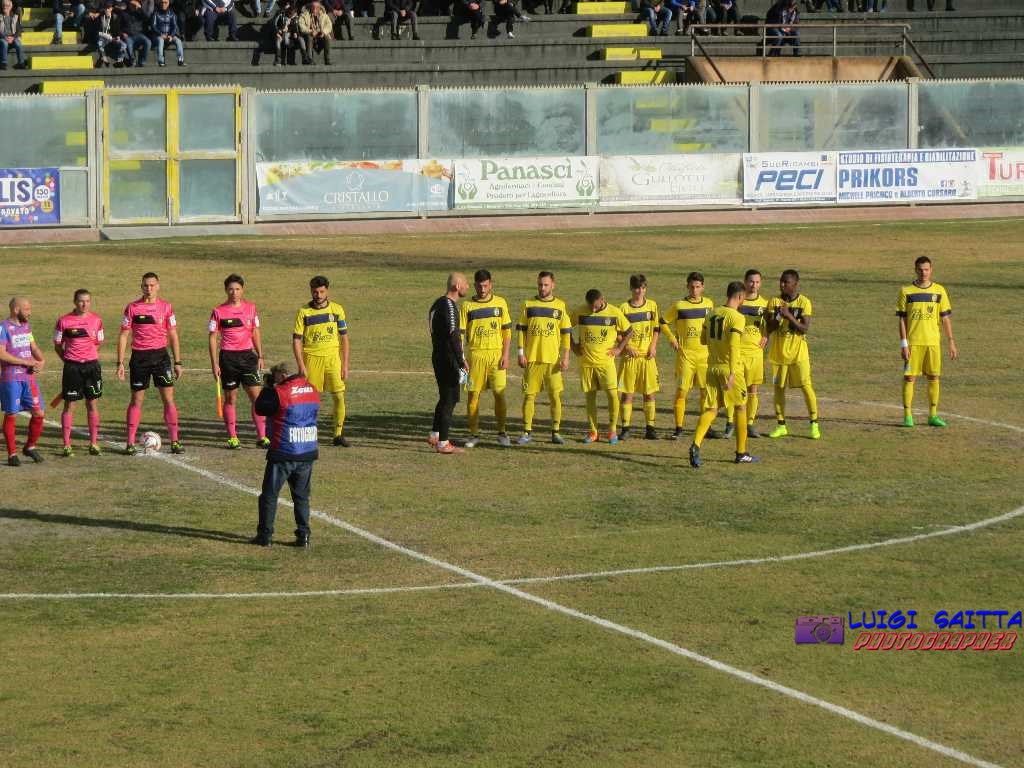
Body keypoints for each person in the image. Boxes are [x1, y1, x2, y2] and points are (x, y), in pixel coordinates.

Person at [688, 281, 759, 468]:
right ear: (740, 296)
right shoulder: (737, 317)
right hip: (729, 369)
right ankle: (741, 453)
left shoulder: (711, 313)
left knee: (711, 409)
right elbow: (734, 346)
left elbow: (703, 340)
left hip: (711, 368)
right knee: (741, 407)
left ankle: (696, 444)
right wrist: (733, 372)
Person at [253, 361, 320, 548]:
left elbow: (260, 408)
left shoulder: (280, 392)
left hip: (284, 451)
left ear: (283, 375)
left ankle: (265, 535)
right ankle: (304, 535)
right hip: (307, 451)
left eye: (276, 377)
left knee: (269, 495)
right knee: (301, 497)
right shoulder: (312, 389)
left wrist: (268, 388)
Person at [117, 272, 184, 455]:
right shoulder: (132, 308)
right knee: (136, 400)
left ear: (158, 286)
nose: (149, 289)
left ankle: (175, 441)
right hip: (139, 358)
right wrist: (120, 362)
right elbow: (124, 335)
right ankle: (130, 443)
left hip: (161, 357)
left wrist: (177, 362)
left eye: (152, 285)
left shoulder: (166, 307)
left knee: (168, 399)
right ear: (141, 287)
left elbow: (173, 334)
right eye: (145, 285)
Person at [209, 274, 268, 449]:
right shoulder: (218, 311)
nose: (234, 292)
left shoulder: (251, 308)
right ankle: (233, 437)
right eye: (230, 289)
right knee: (230, 398)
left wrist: (260, 355)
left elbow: (255, 332)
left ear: (242, 290)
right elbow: (212, 338)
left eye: (237, 289)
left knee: (257, 398)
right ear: (226, 290)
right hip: (228, 359)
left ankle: (262, 436)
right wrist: (214, 363)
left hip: (248, 358)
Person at [897, 256, 957, 428]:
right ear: (915, 270)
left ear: (931, 270)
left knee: (934, 377)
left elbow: (945, 319)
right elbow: (902, 320)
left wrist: (951, 341)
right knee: (909, 378)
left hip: (933, 343)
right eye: (920, 269)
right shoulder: (906, 291)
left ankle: (933, 415)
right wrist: (904, 344)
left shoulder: (939, 291)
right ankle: (908, 416)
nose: (924, 273)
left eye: (926, 269)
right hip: (913, 344)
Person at [516, 271, 572, 445]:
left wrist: (566, 357)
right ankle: (527, 432)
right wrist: (520, 353)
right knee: (529, 396)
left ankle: (555, 432)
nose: (542, 288)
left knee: (555, 396)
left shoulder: (560, 306)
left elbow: (566, 334)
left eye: (546, 285)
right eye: (540, 284)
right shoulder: (528, 304)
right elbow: (521, 330)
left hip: (553, 361)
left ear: (553, 285)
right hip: (532, 359)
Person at [292, 275, 349, 446]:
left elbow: (344, 338)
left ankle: (338, 434)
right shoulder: (304, 312)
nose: (318, 295)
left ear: (327, 291)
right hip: (311, 359)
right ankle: (309, 432)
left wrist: (345, 364)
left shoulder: (337, 310)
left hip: (333, 360)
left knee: (339, 396)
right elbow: (296, 340)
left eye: (322, 292)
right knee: (310, 399)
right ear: (311, 291)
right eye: (315, 292)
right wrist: (301, 365)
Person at [459, 269, 512, 448]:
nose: (482, 289)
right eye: (479, 286)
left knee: (499, 393)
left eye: (485, 286)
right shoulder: (467, 306)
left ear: (491, 284)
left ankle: (502, 432)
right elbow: (460, 335)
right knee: (473, 395)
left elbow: (507, 332)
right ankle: (474, 434)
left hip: (496, 356)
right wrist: (462, 358)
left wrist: (506, 354)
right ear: (474, 285)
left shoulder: (500, 303)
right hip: (475, 356)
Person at [571, 289, 632, 445]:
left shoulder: (614, 313)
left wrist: (619, 349)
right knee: (590, 397)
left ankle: (612, 431)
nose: (593, 309)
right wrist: (573, 346)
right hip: (586, 363)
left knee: (612, 395)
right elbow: (564, 327)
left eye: (596, 306)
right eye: (590, 306)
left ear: (602, 300)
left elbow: (629, 331)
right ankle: (593, 432)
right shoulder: (580, 311)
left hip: (606, 363)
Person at [766, 269, 820, 439]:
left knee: (806, 386)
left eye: (786, 282)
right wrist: (778, 317)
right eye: (781, 281)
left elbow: (804, 328)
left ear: (795, 284)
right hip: (779, 355)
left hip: (798, 354)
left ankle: (814, 423)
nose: (782, 285)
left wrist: (788, 315)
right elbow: (769, 328)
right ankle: (781, 425)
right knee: (778, 389)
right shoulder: (774, 301)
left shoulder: (804, 302)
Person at [662, 271, 714, 439]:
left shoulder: (709, 304)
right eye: (692, 287)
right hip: (685, 356)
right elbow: (662, 322)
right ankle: (679, 428)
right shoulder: (679, 306)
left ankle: (706, 427)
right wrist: (672, 338)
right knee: (682, 392)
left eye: (697, 287)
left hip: (704, 356)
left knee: (705, 392)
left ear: (703, 287)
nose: (694, 290)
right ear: (687, 286)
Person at [54, 289, 104, 457]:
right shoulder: (63, 321)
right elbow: (57, 345)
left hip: (92, 367)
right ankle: (67, 445)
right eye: (81, 301)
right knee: (70, 405)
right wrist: (69, 360)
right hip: (72, 368)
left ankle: (94, 443)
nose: (84, 304)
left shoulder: (97, 320)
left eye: (87, 301)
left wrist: (88, 356)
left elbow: (98, 342)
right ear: (75, 302)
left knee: (92, 404)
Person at [0, 297, 45, 466]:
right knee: (11, 414)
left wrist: (41, 360)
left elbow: (33, 347)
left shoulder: (26, 327)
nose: (30, 312)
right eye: (27, 309)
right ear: (16, 309)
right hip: (11, 379)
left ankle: (30, 447)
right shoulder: (3, 328)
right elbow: (1, 353)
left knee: (39, 413)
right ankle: (12, 454)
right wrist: (25, 362)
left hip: (28, 378)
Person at [617, 274, 662, 440]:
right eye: (636, 288)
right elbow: (618, 333)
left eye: (642, 288)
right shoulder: (623, 309)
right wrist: (627, 347)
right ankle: (625, 428)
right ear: (631, 288)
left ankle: (650, 428)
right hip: (630, 359)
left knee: (649, 393)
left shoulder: (652, 306)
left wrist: (653, 346)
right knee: (627, 393)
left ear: (645, 288)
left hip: (647, 357)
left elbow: (656, 329)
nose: (639, 291)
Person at [429, 273, 469, 454]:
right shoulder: (450, 306)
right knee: (449, 399)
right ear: (457, 286)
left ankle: (435, 434)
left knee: (444, 397)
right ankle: (443, 443)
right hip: (448, 358)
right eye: (465, 283)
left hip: (438, 355)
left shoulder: (437, 303)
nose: (468, 286)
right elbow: (453, 335)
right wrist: (461, 360)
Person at [726, 268, 769, 438]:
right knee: (733, 387)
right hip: (737, 351)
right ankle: (730, 422)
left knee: (753, 388)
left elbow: (768, 325)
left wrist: (766, 335)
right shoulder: (738, 301)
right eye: (751, 281)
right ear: (745, 282)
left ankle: (749, 423)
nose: (754, 285)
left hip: (755, 353)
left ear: (761, 283)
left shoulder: (765, 304)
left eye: (757, 282)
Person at [151, 0, 186, 65]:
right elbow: (153, 26)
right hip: (158, 36)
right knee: (160, 40)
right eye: (162, 2)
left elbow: (175, 26)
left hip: (169, 35)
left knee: (178, 41)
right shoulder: (155, 13)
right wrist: (161, 34)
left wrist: (171, 35)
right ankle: (161, 61)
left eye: (165, 2)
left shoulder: (172, 14)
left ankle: (181, 60)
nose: (163, 4)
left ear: (168, 3)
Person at [117, 0, 151, 65]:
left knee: (148, 42)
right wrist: (122, 33)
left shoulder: (140, 12)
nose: (133, 6)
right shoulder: (123, 13)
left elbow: (147, 18)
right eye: (132, 4)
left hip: (139, 34)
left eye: (135, 4)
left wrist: (140, 9)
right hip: (128, 35)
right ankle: (133, 60)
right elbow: (118, 26)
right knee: (128, 44)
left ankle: (142, 61)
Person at [0, 0, 26, 70]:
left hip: (13, 37)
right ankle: (3, 63)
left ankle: (21, 63)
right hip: (3, 37)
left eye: (7, 5)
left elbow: (19, 30)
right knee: (4, 43)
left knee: (18, 44)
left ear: (11, 7)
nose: (5, 7)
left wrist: (13, 37)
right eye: (3, 5)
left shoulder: (15, 16)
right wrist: (4, 37)